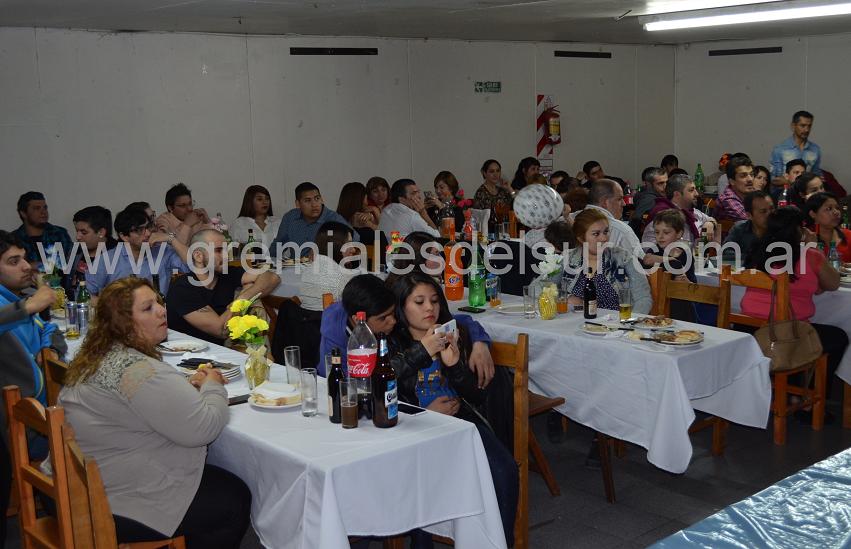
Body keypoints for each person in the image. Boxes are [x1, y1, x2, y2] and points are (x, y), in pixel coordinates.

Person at [59, 277, 251, 547]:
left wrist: (183, 388)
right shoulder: (140, 370)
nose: (162, 310)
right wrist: (213, 385)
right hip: (109, 501)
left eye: (159, 303)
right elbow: (203, 428)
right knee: (233, 497)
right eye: (148, 308)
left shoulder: (96, 355)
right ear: (123, 322)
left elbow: (135, 400)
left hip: (71, 484)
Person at [387, 272, 518, 548]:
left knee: (504, 469)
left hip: (460, 422)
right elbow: (384, 381)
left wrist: (456, 366)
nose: (429, 308)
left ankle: (499, 542)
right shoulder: (392, 341)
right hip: (412, 426)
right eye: (419, 302)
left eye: (434, 301)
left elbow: (476, 396)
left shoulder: (455, 332)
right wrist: (422, 353)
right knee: (423, 478)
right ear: (401, 307)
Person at [742, 208, 847, 416]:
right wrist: (811, 248)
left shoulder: (757, 251)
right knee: (837, 336)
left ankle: (788, 389)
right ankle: (806, 397)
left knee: (802, 331)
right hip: (784, 334)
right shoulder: (809, 255)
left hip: (749, 327)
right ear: (799, 230)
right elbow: (833, 283)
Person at [0, 230, 68, 543]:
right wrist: (28, 306)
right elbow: (26, 314)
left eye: (25, 258)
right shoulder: (13, 304)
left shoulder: (14, 297)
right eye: (14, 261)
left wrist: (50, 348)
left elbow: (47, 327)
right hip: (17, 422)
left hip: (34, 413)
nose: (26, 266)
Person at [166, 229, 280, 346]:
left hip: (222, 353)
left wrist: (244, 296)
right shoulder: (183, 289)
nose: (226, 256)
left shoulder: (227, 274)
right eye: (218, 250)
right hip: (186, 356)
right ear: (198, 256)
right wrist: (241, 300)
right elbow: (221, 330)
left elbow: (272, 277)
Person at [560, 209, 651, 314]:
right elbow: (542, 287)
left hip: (616, 324)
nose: (604, 238)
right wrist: (566, 298)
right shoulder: (568, 258)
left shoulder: (623, 257)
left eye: (606, 232)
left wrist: (631, 322)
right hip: (574, 323)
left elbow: (643, 298)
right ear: (581, 238)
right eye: (596, 234)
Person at [87, 206, 190, 298]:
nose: (148, 233)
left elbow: (195, 267)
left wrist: (171, 239)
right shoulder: (108, 259)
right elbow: (85, 293)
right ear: (124, 236)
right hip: (121, 316)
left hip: (156, 314)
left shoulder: (162, 251)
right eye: (139, 230)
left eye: (148, 227)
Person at [272, 182, 353, 254]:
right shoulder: (290, 217)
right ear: (298, 204)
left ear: (322, 199)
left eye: (317, 198)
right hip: (294, 268)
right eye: (308, 200)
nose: (314, 204)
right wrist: (265, 260)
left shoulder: (333, 218)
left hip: (324, 267)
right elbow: (278, 245)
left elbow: (355, 240)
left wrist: (323, 250)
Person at [573, 179, 644, 259]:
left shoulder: (566, 219)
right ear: (605, 202)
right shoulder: (621, 230)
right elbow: (639, 262)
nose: (624, 204)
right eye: (619, 199)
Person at [298, 222, 361, 311]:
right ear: (336, 245)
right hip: (328, 323)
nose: (353, 249)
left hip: (306, 322)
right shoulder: (343, 278)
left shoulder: (307, 272)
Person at [641, 174, 719, 246]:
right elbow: (648, 247)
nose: (696, 194)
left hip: (696, 257)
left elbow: (712, 220)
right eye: (691, 190)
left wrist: (710, 223)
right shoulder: (662, 214)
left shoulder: (693, 212)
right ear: (677, 194)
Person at [12, 191, 73, 269]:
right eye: (37, 208)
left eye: (45, 208)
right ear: (23, 213)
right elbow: (12, 269)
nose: (43, 212)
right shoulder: (13, 239)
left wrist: (38, 266)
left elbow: (71, 263)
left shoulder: (59, 234)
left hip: (58, 280)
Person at [67, 206, 118, 293]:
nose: (77, 237)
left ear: (101, 232)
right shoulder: (76, 251)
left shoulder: (118, 255)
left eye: (84, 232)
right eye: (77, 231)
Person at [722, 190, 774, 265]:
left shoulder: (780, 229)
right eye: (763, 211)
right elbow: (726, 251)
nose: (770, 214)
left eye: (772, 209)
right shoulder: (740, 228)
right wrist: (750, 258)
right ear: (749, 215)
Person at [770, 110, 821, 177]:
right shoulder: (780, 149)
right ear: (793, 126)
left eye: (809, 126)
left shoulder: (815, 150)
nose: (807, 130)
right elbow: (775, 179)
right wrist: (797, 183)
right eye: (803, 125)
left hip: (807, 187)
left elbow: (816, 176)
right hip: (786, 187)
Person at [335, 181, 385, 248]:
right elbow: (385, 234)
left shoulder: (337, 219)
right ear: (362, 198)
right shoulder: (360, 219)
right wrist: (375, 210)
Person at [806, 192, 851, 262]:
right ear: (813, 214)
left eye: (837, 208)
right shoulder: (807, 240)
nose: (836, 212)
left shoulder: (848, 235)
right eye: (829, 209)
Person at [713, 154, 754, 221]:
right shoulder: (728, 199)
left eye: (752, 174)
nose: (750, 179)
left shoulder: (751, 193)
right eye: (743, 175)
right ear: (732, 181)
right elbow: (753, 221)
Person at [630, 167, 668, 235]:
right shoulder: (650, 199)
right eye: (660, 183)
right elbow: (637, 221)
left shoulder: (646, 196)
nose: (665, 186)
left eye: (666, 182)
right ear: (649, 184)